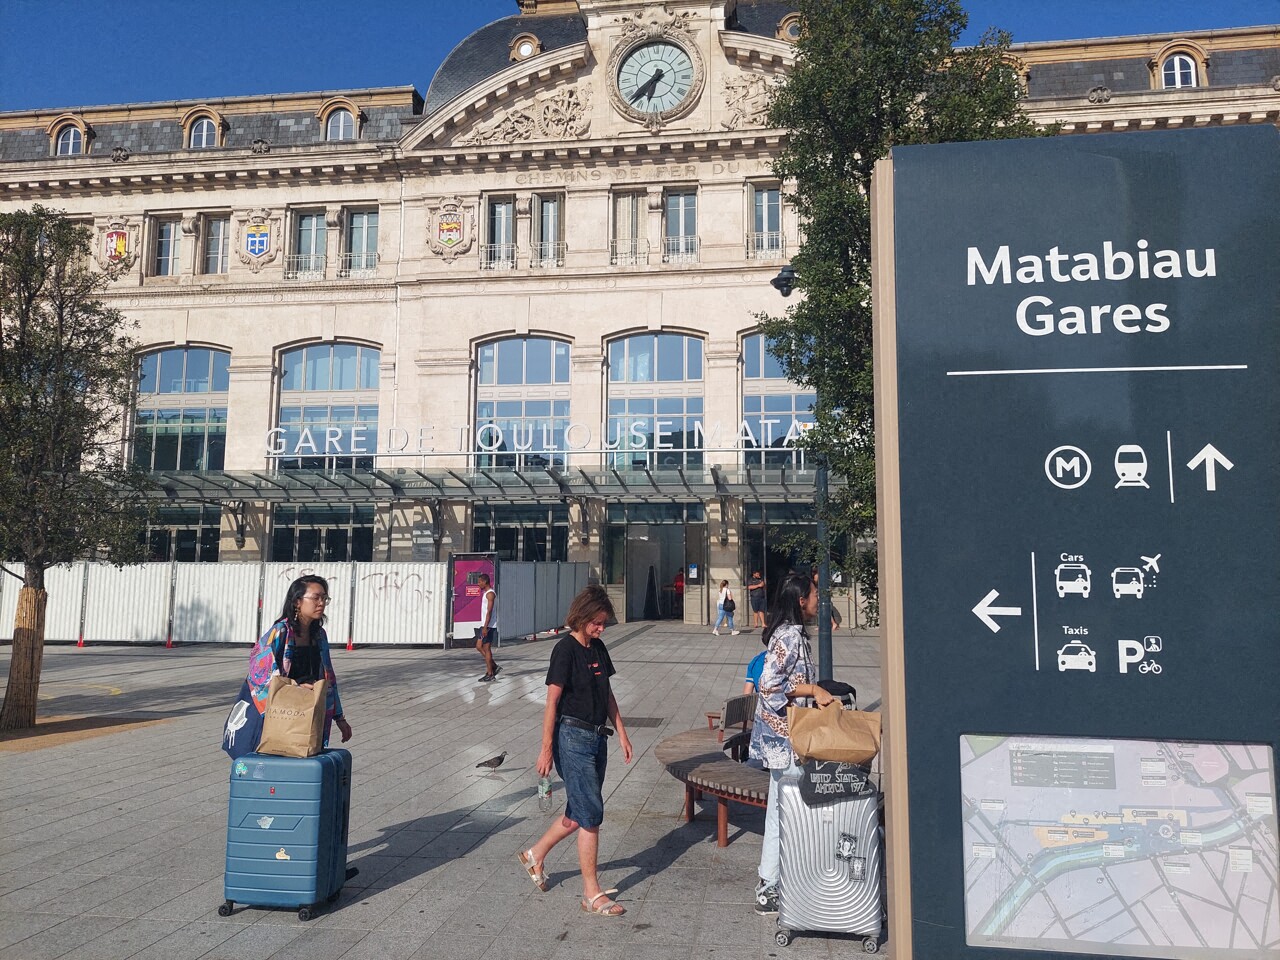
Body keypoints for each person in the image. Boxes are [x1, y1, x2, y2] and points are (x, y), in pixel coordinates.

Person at [518, 585, 634, 917]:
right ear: (582, 617)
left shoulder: (598, 649)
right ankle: (591, 893)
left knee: (579, 811)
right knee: (591, 815)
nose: (600, 628)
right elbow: (552, 703)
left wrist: (622, 733)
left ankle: (534, 855)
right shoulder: (564, 650)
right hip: (571, 738)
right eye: (597, 622)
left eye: (603, 623)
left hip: (598, 738)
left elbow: (608, 693)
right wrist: (545, 750)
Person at [748, 571, 836, 915]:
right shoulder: (788, 636)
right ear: (801, 601)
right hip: (785, 740)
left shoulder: (794, 634)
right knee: (787, 812)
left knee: (780, 811)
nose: (818, 600)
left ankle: (772, 883)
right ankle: (773, 885)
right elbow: (768, 684)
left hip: (787, 737)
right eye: (814, 595)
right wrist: (814, 690)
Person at [245, 575, 352, 747]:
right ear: (297, 601)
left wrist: (339, 717)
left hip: (309, 710)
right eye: (316, 597)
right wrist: (293, 688)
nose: (321, 603)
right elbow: (258, 673)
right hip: (282, 713)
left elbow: (329, 678)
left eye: (325, 598)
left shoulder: (319, 635)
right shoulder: (280, 632)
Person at [475, 572, 501, 682]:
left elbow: (489, 612)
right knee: (478, 646)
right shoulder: (486, 593)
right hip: (485, 625)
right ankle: (494, 666)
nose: (478, 584)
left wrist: (485, 627)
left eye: (480, 582)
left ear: (485, 582)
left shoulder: (490, 594)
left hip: (489, 625)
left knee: (486, 648)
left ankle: (490, 673)